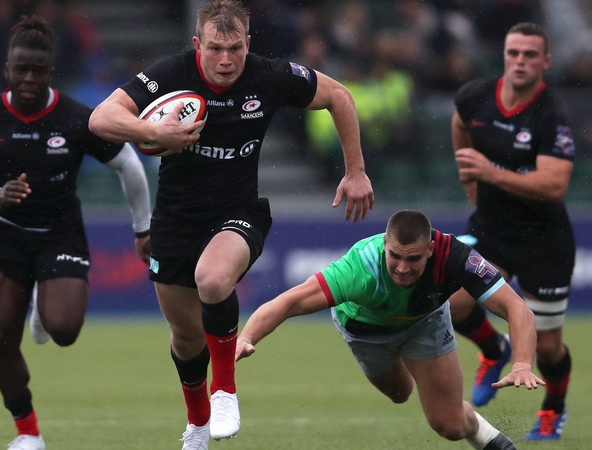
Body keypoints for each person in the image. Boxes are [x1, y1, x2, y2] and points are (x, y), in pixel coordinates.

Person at [88, 1, 374, 448]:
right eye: (216, 48)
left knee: (213, 278)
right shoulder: (171, 74)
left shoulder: (269, 75)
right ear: (197, 44)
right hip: (175, 220)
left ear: (248, 44)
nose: (226, 59)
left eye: (235, 48)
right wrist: (156, 134)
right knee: (185, 339)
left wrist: (355, 170)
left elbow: (339, 96)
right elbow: (100, 118)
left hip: (238, 213)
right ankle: (198, 425)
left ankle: (225, 391)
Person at [0, 15, 152, 450]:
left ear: (50, 72)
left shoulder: (76, 118)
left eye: (37, 70)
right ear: (7, 69)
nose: (28, 78)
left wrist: (143, 228)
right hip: (4, 231)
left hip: (60, 232)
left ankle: (44, 306)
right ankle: (28, 434)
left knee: (63, 330)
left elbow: (130, 166)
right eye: (20, 68)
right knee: (1, 333)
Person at [236, 209, 544, 450]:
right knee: (400, 393)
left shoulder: (457, 256)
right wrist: (246, 337)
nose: (402, 267)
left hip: (426, 322)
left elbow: (517, 309)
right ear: (385, 244)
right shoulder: (360, 269)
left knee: (449, 425)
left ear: (431, 249)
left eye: (413, 259)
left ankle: (495, 443)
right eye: (395, 255)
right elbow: (289, 302)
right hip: (364, 330)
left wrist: (521, 364)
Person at [448, 22, 575, 441]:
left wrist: (490, 174)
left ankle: (553, 409)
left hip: (544, 243)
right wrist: (471, 182)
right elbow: (460, 124)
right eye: (513, 53)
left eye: (530, 55)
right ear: (504, 54)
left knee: (547, 346)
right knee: (454, 304)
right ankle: (494, 350)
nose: (520, 61)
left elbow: (554, 185)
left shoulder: (552, 117)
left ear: (546, 62)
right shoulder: (475, 96)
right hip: (490, 230)